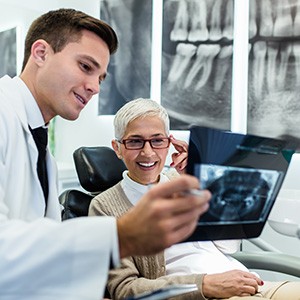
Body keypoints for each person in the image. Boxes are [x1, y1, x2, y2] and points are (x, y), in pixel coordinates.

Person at [0, 9, 212, 300]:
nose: (95, 87)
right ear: (40, 53)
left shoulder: (38, 143)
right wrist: (120, 236)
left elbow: (40, 262)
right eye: (86, 67)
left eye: (100, 77)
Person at [89, 98, 300, 300]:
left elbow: (229, 247)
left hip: (248, 282)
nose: (148, 152)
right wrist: (205, 284)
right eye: (135, 141)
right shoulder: (104, 207)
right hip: (203, 294)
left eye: (157, 140)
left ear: (168, 142)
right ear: (117, 148)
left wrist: (201, 180)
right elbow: (125, 290)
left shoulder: (182, 181)